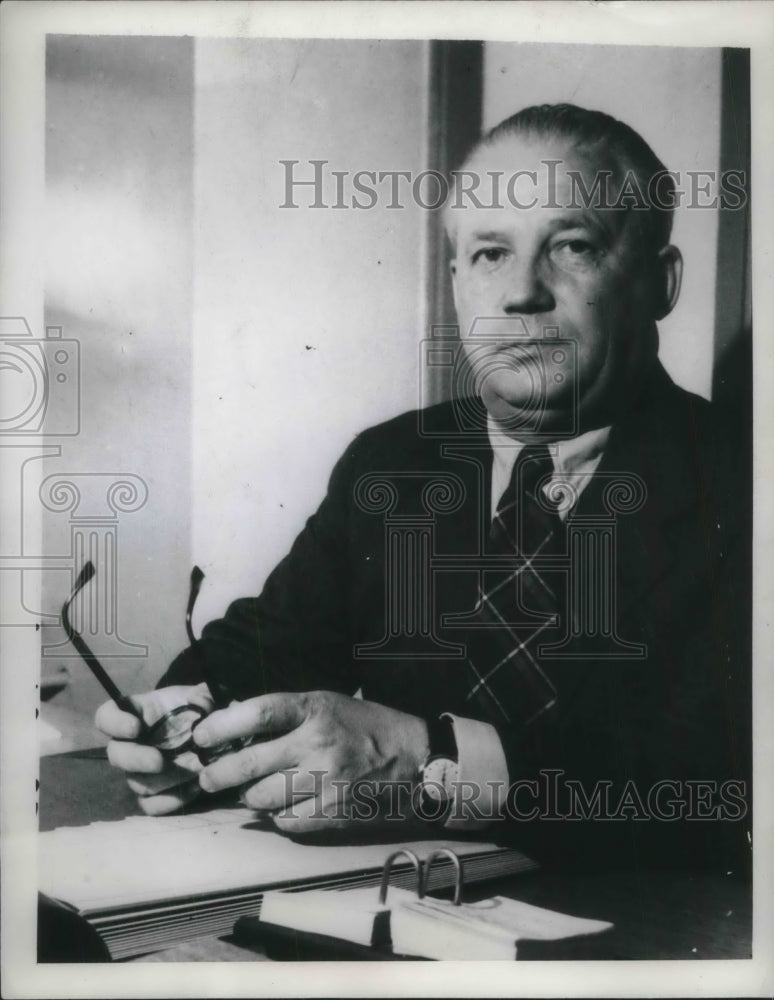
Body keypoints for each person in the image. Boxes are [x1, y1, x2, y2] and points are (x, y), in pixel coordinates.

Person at [95, 104, 750, 873]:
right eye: (489, 255)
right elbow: (270, 648)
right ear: (455, 283)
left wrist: (430, 761)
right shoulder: (394, 464)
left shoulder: (745, 485)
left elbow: (729, 785)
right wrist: (187, 722)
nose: (521, 295)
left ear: (660, 283)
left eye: (572, 247)